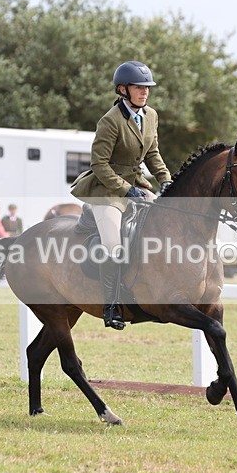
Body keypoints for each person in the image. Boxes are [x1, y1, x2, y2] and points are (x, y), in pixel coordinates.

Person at [70, 60, 173, 330]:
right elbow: (99, 165)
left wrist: (166, 179)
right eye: (138, 87)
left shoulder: (151, 116)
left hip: (137, 185)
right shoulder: (110, 121)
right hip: (107, 192)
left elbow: (152, 153)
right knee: (114, 246)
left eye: (147, 88)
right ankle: (112, 305)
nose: (144, 92)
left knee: (164, 226)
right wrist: (127, 189)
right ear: (122, 90)